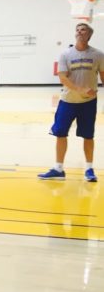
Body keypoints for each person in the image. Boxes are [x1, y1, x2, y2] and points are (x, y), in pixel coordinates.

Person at [38, 22, 104, 182]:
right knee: (60, 133)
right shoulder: (65, 54)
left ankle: (89, 169)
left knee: (88, 136)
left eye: (84, 30)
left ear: (89, 35)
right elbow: (63, 78)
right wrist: (80, 89)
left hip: (89, 103)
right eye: (78, 30)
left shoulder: (98, 55)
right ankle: (58, 169)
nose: (80, 32)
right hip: (67, 101)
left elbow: (103, 75)